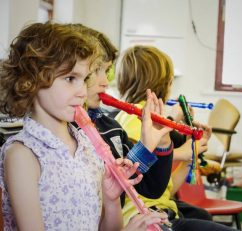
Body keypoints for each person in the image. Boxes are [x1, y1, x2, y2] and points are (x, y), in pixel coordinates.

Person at [0, 22, 168, 230]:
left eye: (84, 78)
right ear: (31, 80)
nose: (82, 91)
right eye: (70, 78)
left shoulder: (87, 146)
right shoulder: (23, 155)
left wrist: (111, 200)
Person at [115, 45, 236, 230]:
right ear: (167, 83)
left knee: (201, 215)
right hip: (142, 215)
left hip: (161, 208)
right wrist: (183, 151)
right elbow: (136, 159)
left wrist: (191, 155)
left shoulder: (132, 114)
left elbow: (166, 189)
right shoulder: (137, 117)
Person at [68, 24, 174, 205]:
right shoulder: (64, 133)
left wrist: (160, 143)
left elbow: (150, 188)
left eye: (107, 71)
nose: (105, 83)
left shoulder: (111, 129)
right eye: (95, 71)